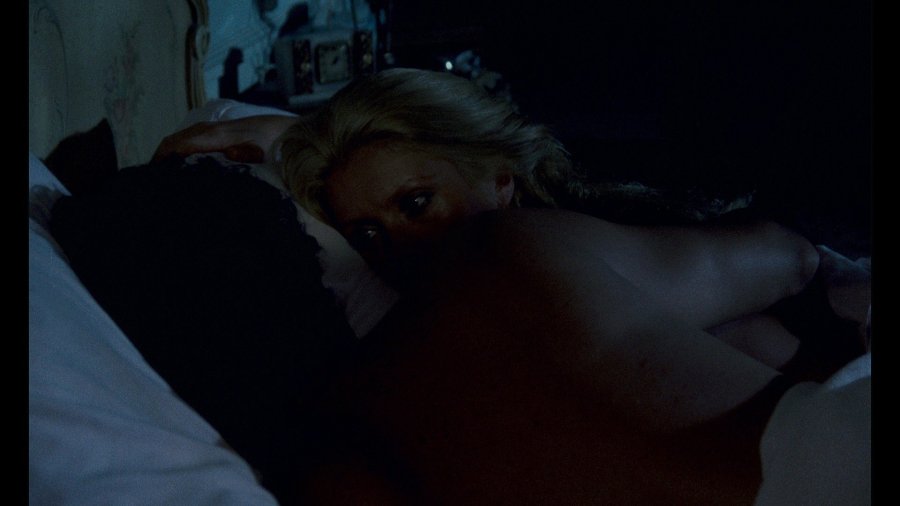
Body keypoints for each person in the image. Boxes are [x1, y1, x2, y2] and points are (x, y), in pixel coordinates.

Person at [148, 68, 871, 503]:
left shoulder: (514, 260)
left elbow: (797, 258)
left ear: (501, 180)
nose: (399, 249)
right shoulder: (418, 358)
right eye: (366, 236)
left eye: (416, 203)